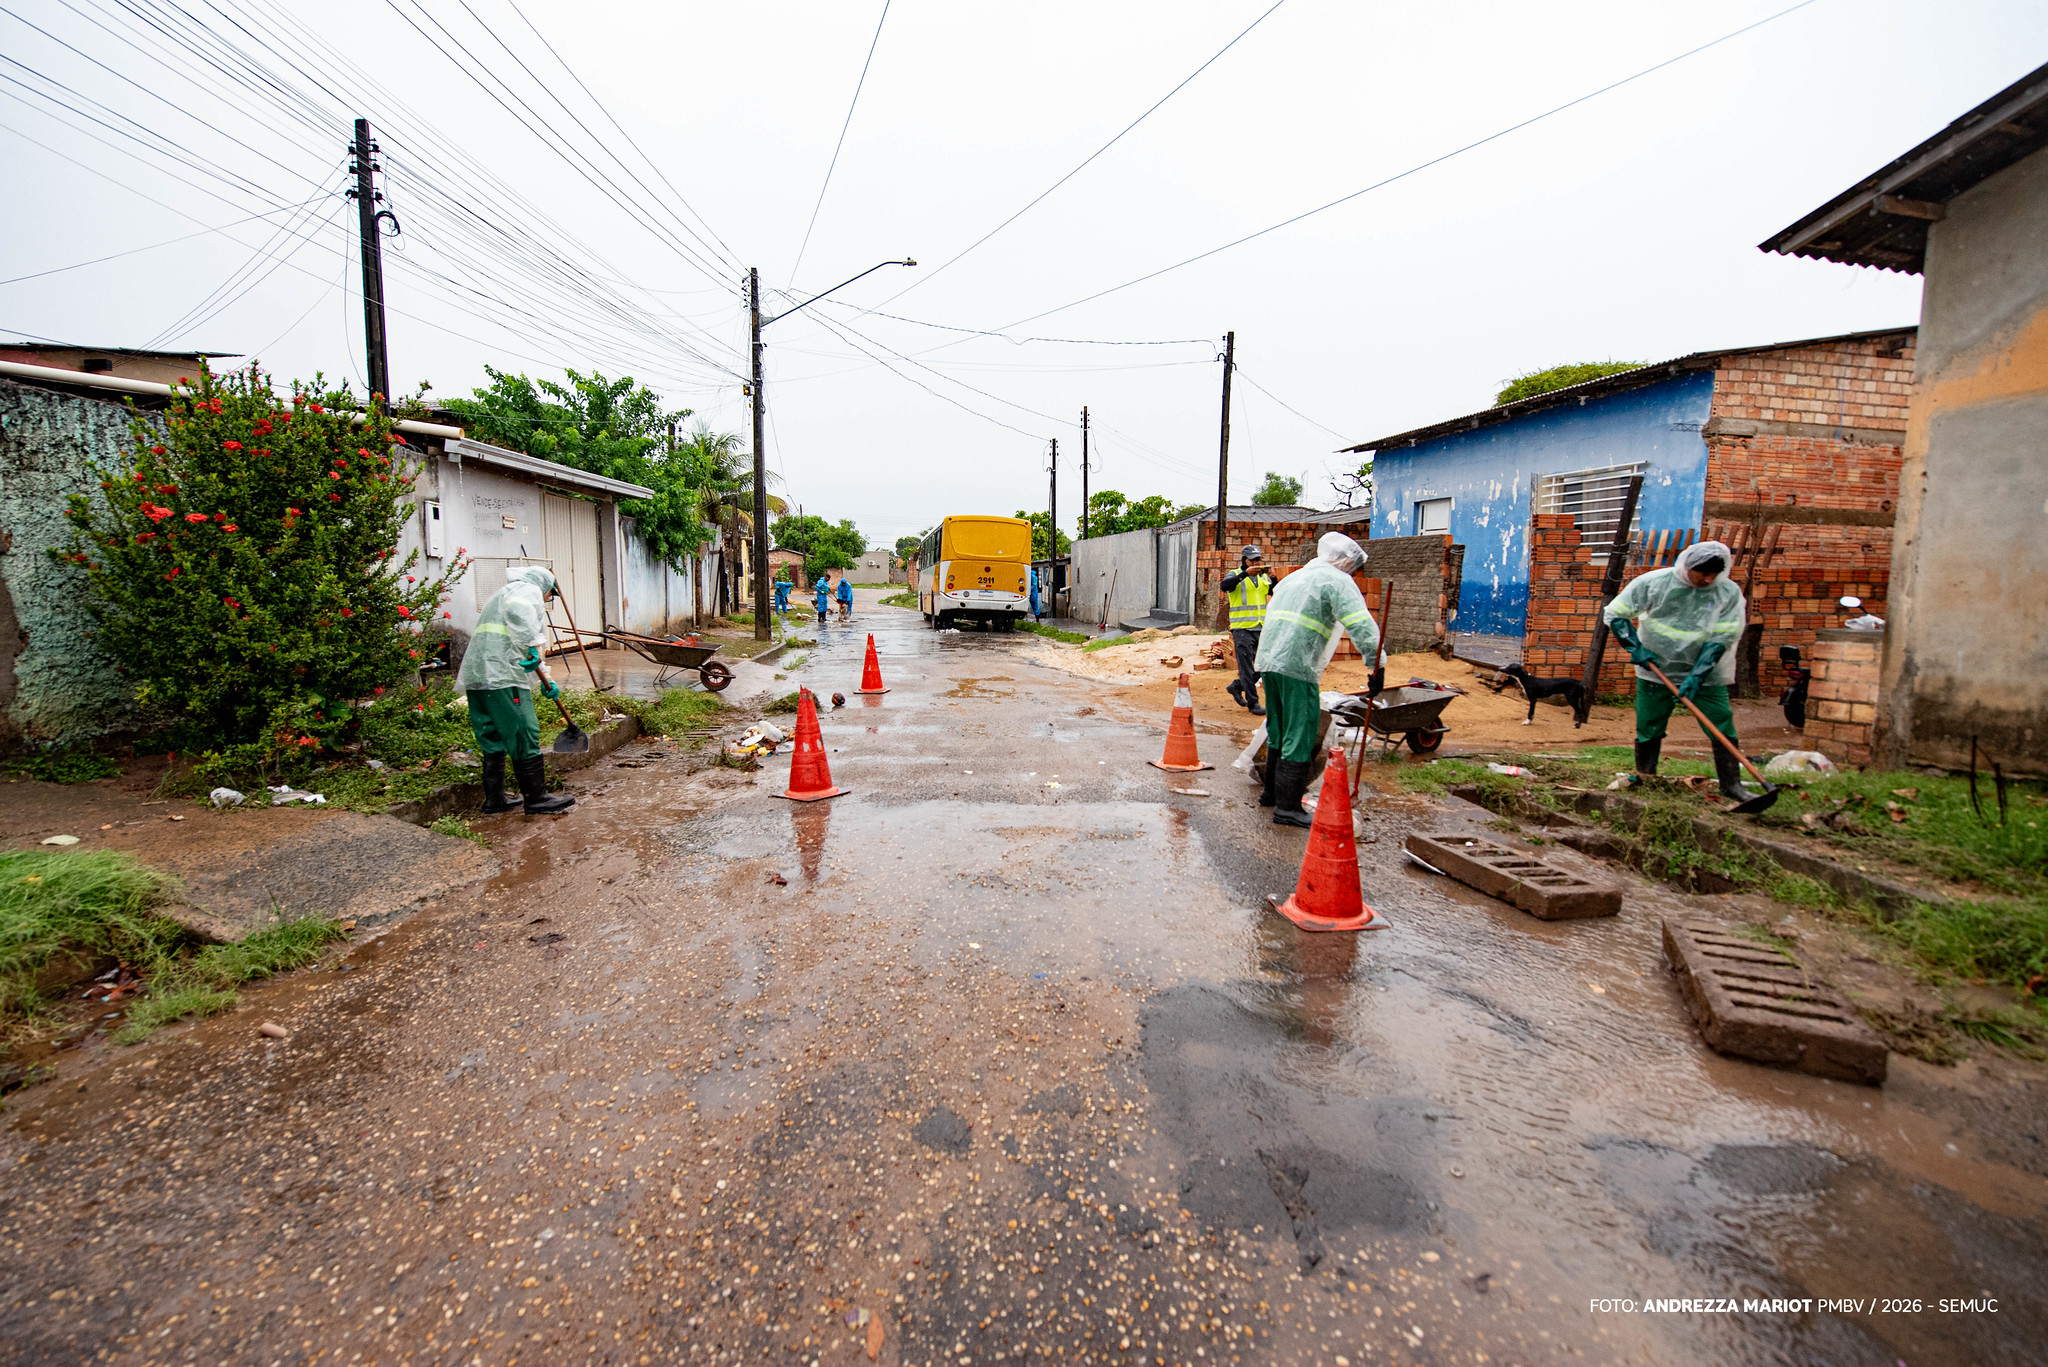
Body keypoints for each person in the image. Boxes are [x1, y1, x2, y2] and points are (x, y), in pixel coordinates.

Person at [1602, 539, 1758, 802]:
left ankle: (1732, 785)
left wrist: (1698, 675)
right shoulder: (1654, 583)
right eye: (1703, 573)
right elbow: (1617, 614)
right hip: (1656, 668)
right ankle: (1646, 777)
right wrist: (1635, 648)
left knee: (1721, 724)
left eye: (1714, 574)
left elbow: (1723, 636)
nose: (1708, 580)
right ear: (1688, 566)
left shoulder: (1728, 594)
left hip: (1707, 674)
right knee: (1649, 726)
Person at [1253, 533, 1379, 828]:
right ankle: (1287, 808)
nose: (1353, 574)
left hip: (1270, 662)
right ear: (1346, 561)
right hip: (1297, 665)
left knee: (1279, 729)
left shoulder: (1294, 578)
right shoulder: (1336, 581)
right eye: (1354, 569)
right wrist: (1377, 666)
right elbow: (1361, 625)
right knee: (1300, 733)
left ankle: (1270, 793)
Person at [453, 565, 575, 816]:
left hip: (479, 674)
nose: (547, 599)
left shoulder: (502, 594)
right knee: (522, 730)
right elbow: (522, 622)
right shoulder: (526, 590)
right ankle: (537, 798)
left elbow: (514, 639)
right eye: (550, 594)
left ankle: (495, 800)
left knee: (492, 735)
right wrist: (532, 645)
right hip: (503, 676)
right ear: (544, 587)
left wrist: (546, 679)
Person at [1219, 544, 1274, 716]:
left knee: (1263, 665)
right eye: (1253, 560)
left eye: (1259, 560)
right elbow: (1225, 586)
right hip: (1242, 628)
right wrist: (1245, 574)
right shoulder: (1236, 574)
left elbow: (1273, 592)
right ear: (1245, 560)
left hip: (1260, 627)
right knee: (1246, 668)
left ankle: (1237, 686)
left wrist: (1275, 579)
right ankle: (1253, 703)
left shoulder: (1263, 577)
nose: (1257, 563)